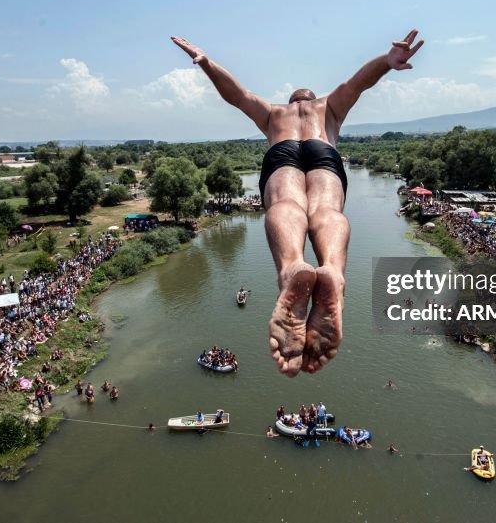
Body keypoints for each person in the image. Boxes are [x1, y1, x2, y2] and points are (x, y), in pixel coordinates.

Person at [172, 30, 424, 376]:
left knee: (285, 203)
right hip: (324, 150)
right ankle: (333, 270)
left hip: (281, 149)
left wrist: (207, 63)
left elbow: (238, 96)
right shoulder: (328, 106)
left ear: (292, 101)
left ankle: (292, 266)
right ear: (310, 99)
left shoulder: (275, 113)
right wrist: (386, 61)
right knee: (326, 211)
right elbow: (358, 83)